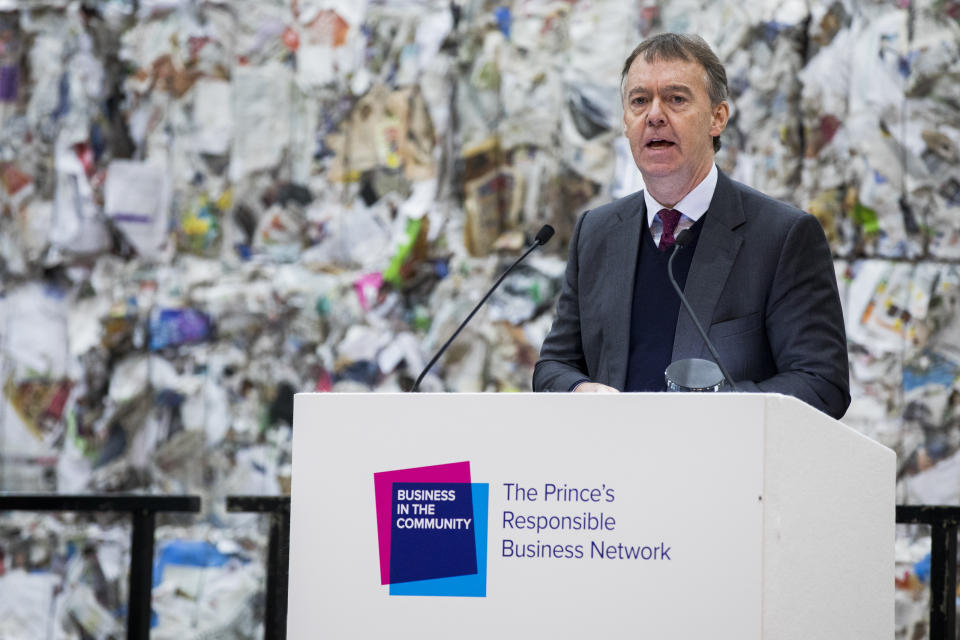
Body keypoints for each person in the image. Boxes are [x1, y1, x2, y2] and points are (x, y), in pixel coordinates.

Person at [532, 33, 850, 419]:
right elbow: (553, 368)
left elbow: (821, 383)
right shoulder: (595, 233)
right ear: (626, 122)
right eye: (639, 101)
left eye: (676, 98)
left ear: (718, 117)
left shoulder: (782, 236)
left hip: (724, 470)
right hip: (610, 471)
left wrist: (709, 413)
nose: (654, 115)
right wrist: (579, 388)